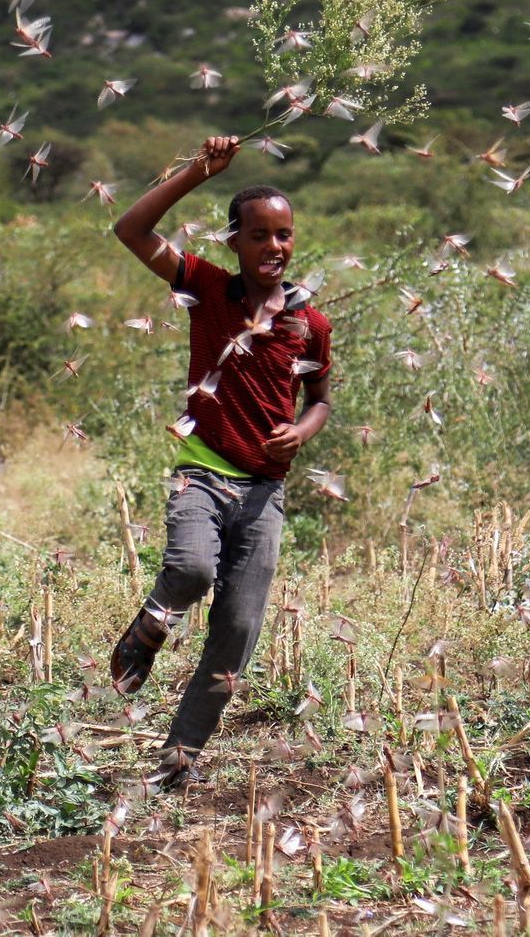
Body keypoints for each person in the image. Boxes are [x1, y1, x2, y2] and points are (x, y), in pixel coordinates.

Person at [107, 134, 332, 788]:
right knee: (190, 567)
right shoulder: (206, 287)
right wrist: (198, 171)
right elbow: (129, 228)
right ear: (234, 242)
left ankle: (176, 764)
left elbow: (319, 399)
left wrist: (301, 429)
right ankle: (148, 627)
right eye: (258, 235)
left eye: (284, 234)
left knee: (235, 632)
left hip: (263, 492)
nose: (274, 246)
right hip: (202, 471)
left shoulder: (309, 322)